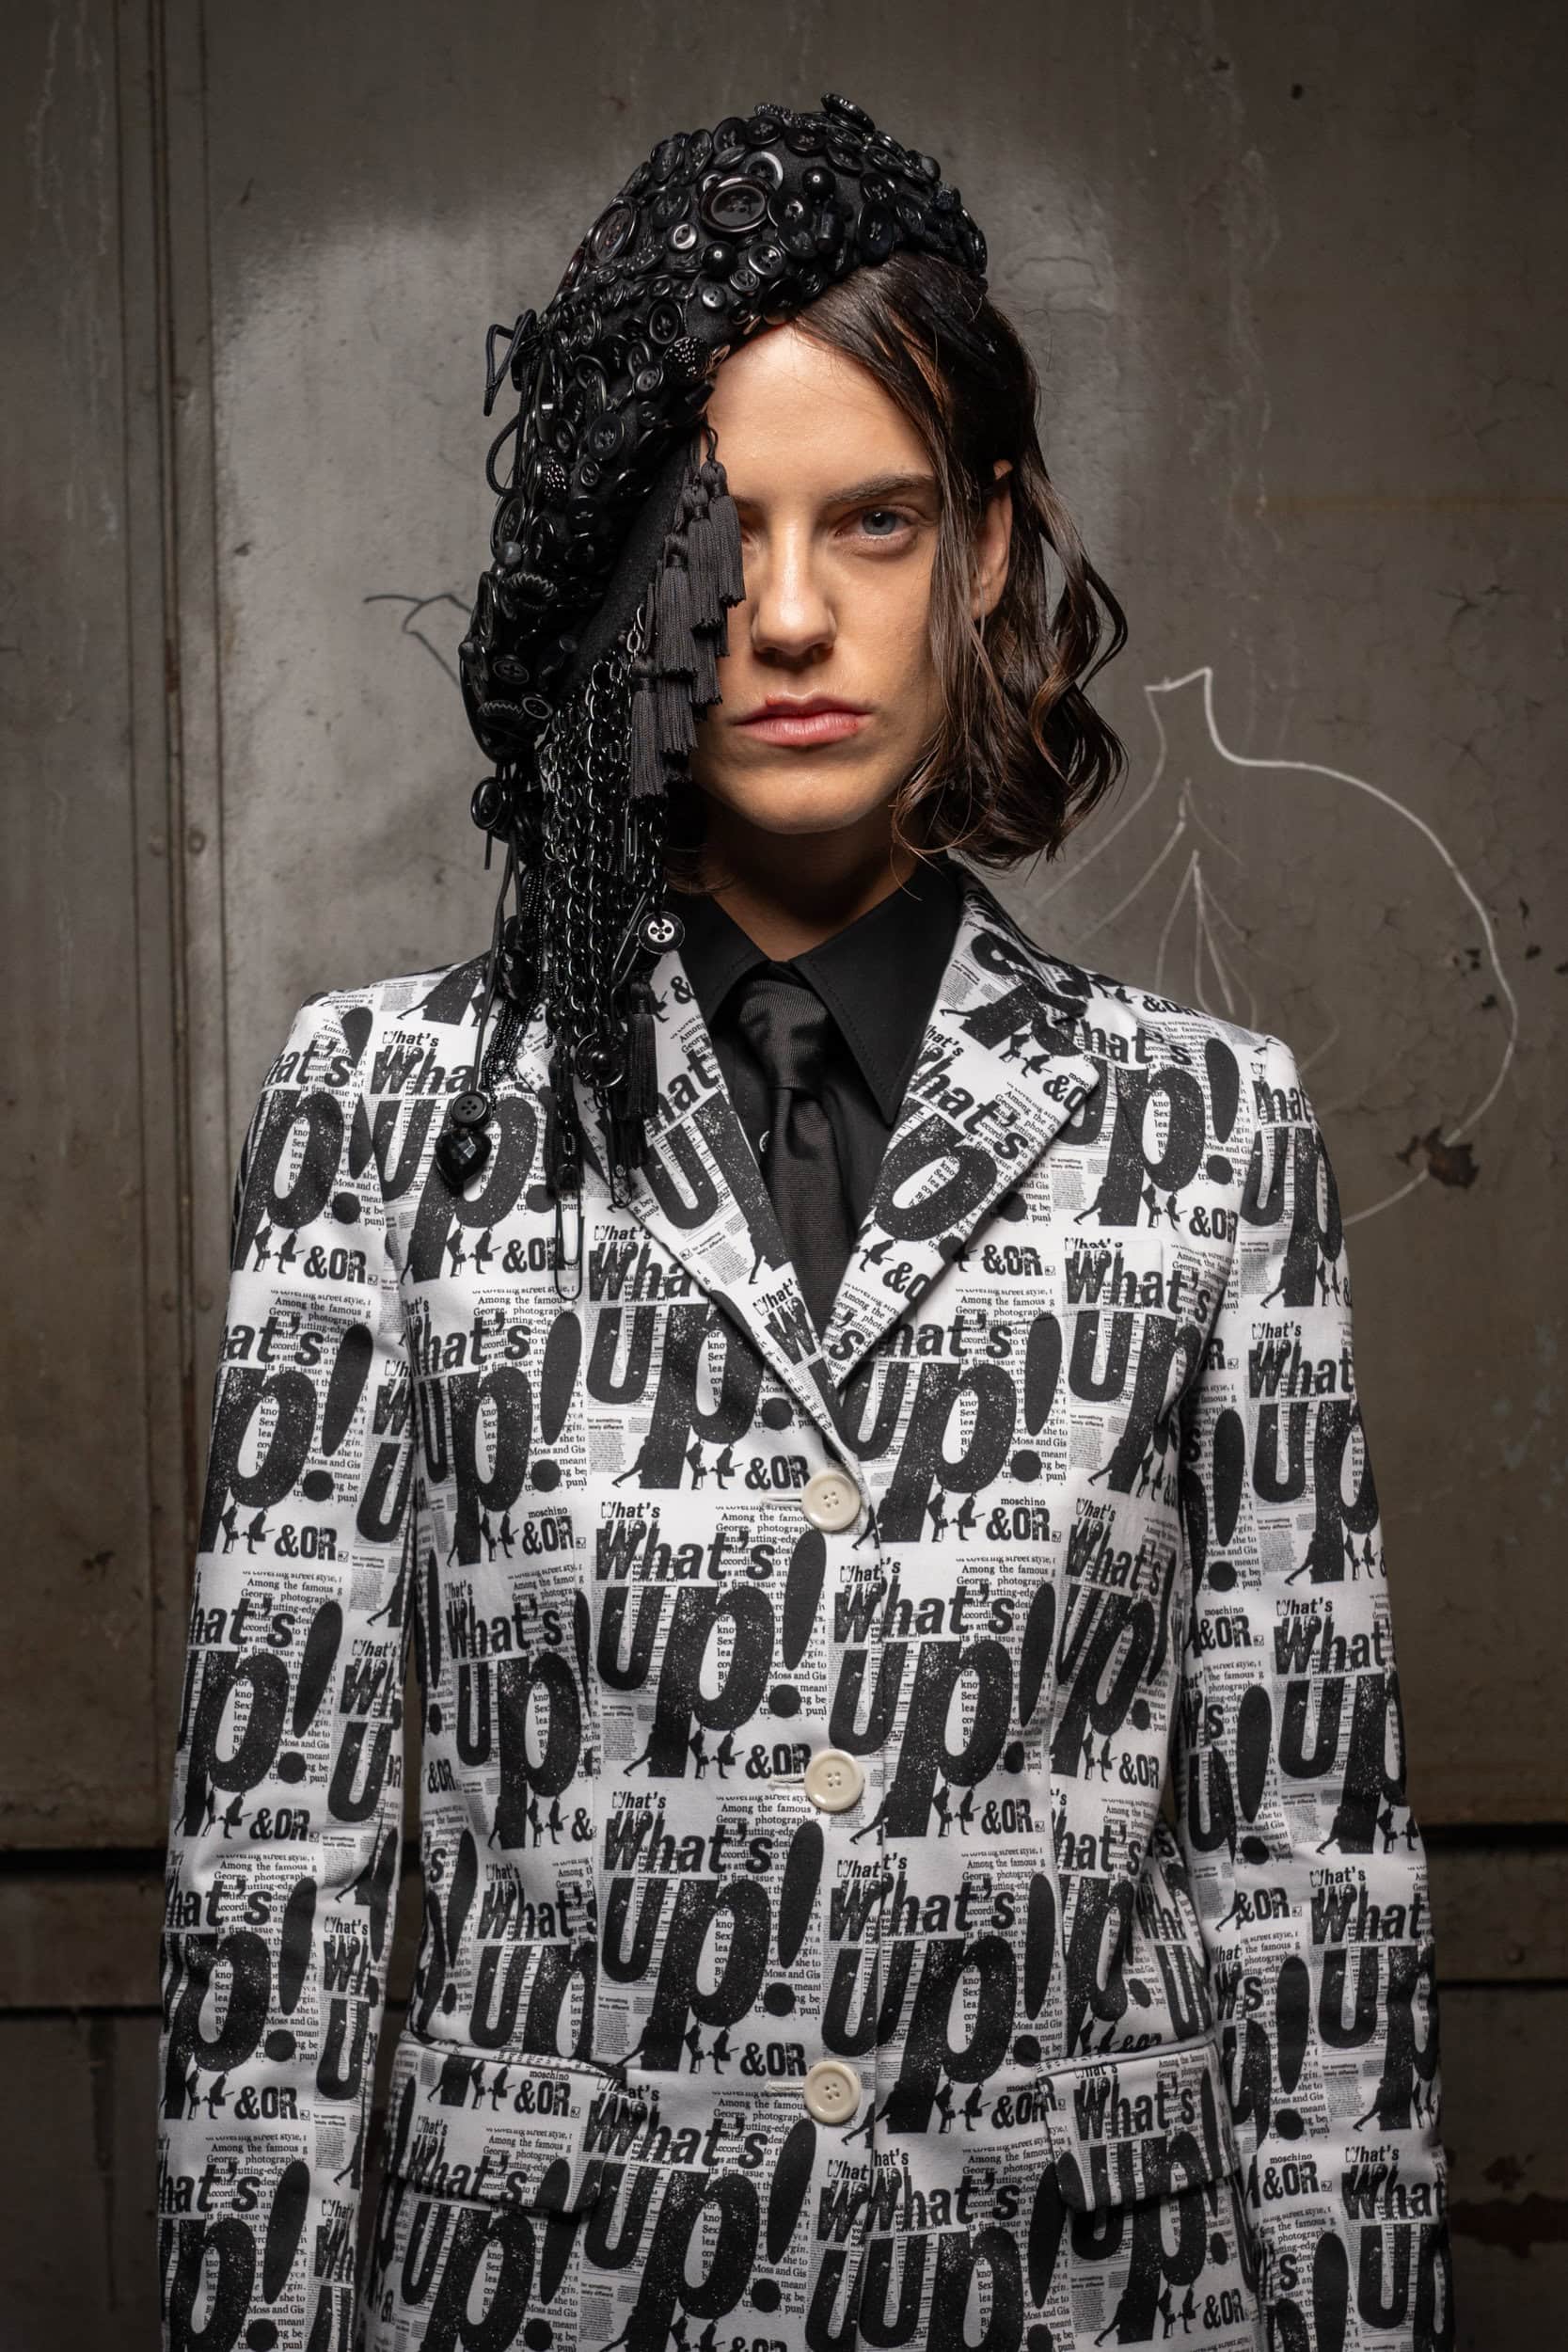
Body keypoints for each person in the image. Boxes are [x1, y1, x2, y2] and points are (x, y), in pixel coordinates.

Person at [155, 93, 1452, 2352]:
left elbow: (1307, 1865)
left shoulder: (1209, 1132)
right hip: (551, 2296)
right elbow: (283, 1870)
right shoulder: (384, 1112)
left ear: (988, 543)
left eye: (873, 517)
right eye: (711, 530)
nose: (781, 614)